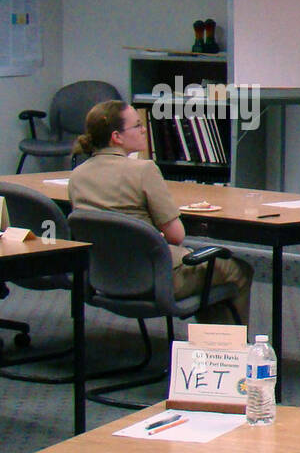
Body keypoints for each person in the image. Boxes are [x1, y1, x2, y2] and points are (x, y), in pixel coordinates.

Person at [68, 100, 252, 325]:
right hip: (155, 278)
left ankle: (211, 349)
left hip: (106, 278)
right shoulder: (144, 170)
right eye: (137, 126)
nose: (144, 129)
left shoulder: (77, 175)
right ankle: (224, 352)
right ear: (117, 136)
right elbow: (176, 236)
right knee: (238, 271)